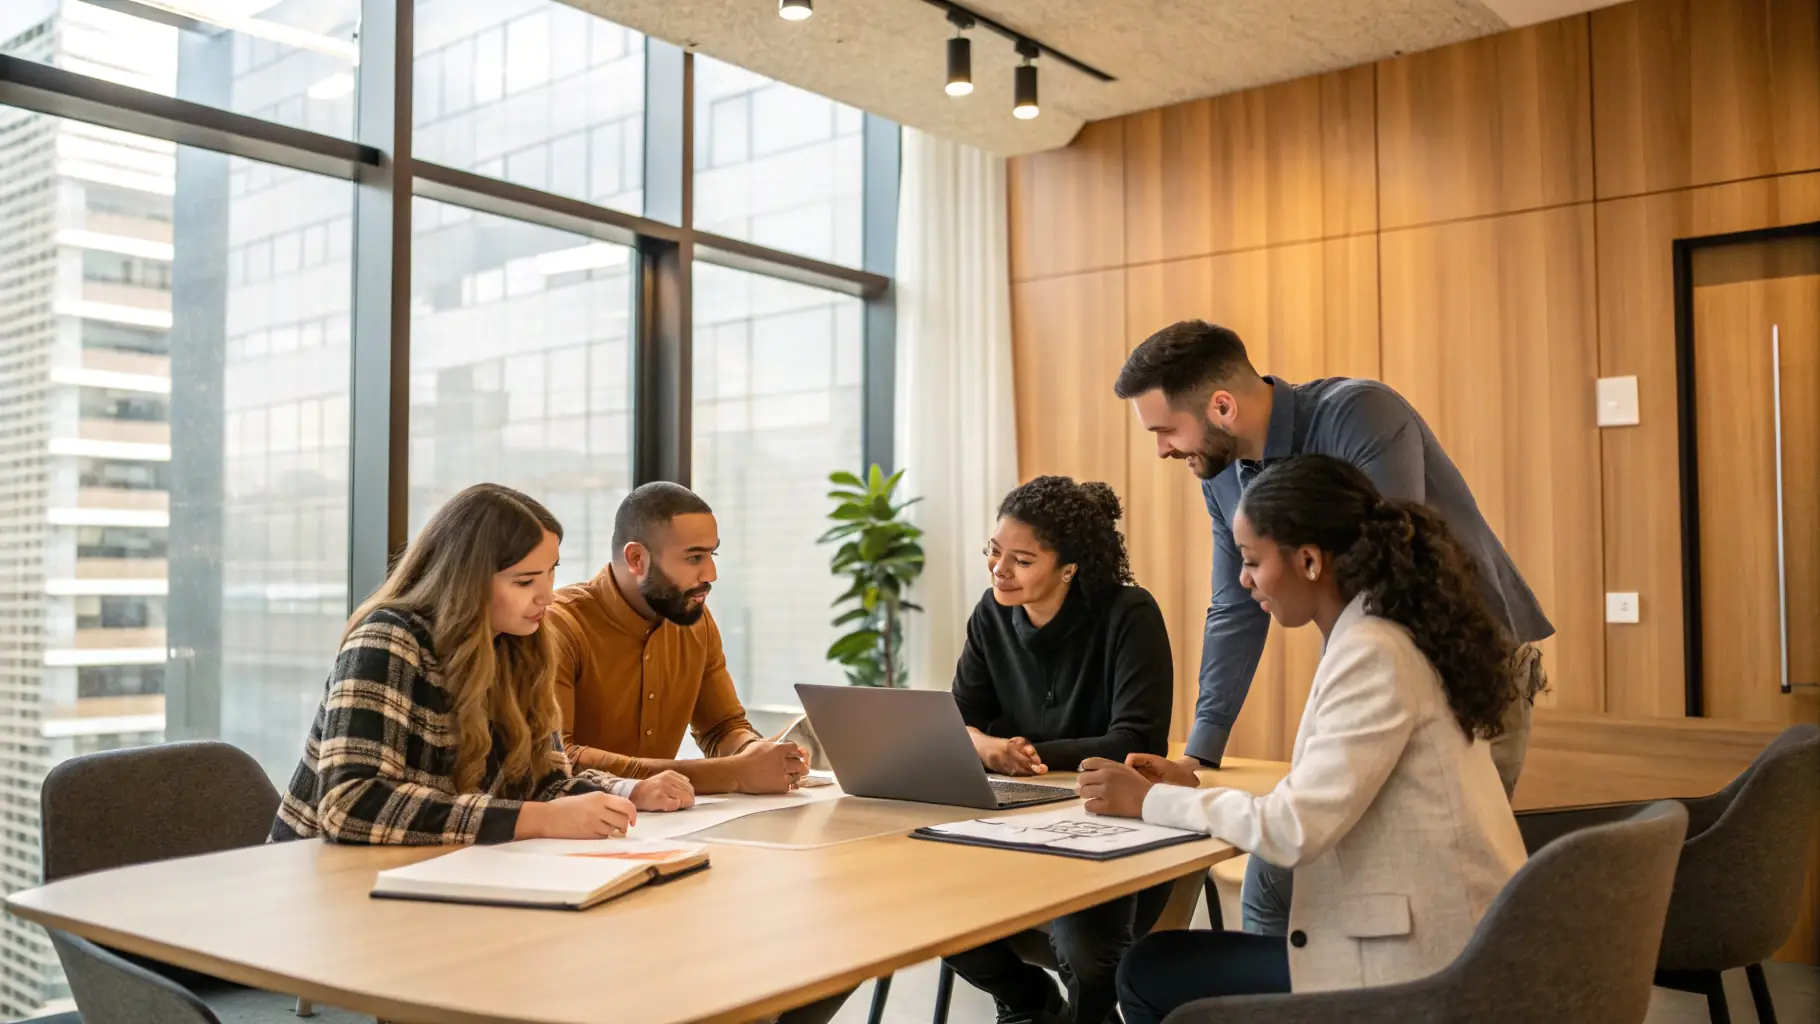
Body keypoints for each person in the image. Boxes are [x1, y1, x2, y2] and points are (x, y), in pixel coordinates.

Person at [1113, 319, 1550, 934]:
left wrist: (1346, 685)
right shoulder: (1221, 472)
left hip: (1467, 663)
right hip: (1369, 673)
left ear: (1221, 405)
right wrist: (1200, 755)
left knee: (1423, 891)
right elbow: (1234, 606)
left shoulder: (1361, 412)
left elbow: (1384, 575)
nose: (1161, 449)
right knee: (1276, 884)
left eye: (1165, 429)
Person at [1075, 456, 1528, 1024]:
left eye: (1252, 562)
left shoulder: (1372, 652)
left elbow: (1293, 832)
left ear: (1310, 561)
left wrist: (1151, 803)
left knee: (1148, 972)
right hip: (1440, 940)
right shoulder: (1383, 632)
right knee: (1159, 961)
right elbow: (1319, 796)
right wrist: (1188, 785)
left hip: (1420, 968)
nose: (1243, 581)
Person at [271, 483, 687, 847]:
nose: (547, 595)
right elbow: (351, 804)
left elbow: (545, 783)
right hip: (317, 884)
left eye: (550, 573)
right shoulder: (387, 639)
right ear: (466, 580)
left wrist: (629, 792)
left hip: (434, 874)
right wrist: (535, 820)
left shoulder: (521, 645)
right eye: (524, 581)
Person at [944, 476, 1175, 1024]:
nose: (1000, 570)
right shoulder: (991, 612)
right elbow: (958, 720)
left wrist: (1023, 751)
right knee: (924, 908)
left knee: (1089, 955)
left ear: (1069, 567)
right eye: (994, 552)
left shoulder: (1129, 614)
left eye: (1022, 560)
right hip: (1008, 817)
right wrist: (991, 749)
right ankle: (1028, 1004)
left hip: (1111, 819)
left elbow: (1135, 741)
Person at [547, 482, 808, 799]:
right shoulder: (558, 625)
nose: (710, 573)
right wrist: (734, 774)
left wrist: (757, 753)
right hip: (568, 832)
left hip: (666, 825)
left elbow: (722, 727)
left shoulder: (695, 621)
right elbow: (560, 760)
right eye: (695, 558)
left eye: (712, 554)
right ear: (636, 559)